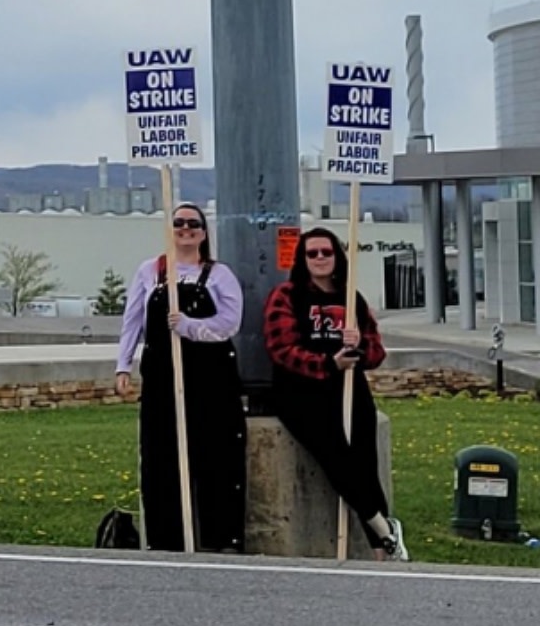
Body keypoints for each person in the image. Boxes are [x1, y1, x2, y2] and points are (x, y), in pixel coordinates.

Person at [263, 227, 408, 561]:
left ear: (337, 257)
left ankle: (382, 554)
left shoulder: (350, 298)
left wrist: (358, 348)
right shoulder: (286, 296)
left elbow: (376, 351)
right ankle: (385, 530)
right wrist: (330, 363)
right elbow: (282, 349)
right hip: (302, 394)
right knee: (337, 460)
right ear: (301, 259)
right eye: (311, 253)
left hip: (350, 390)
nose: (319, 259)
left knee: (365, 466)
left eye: (325, 252)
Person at [114, 203, 246, 552]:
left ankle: (221, 538)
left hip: (210, 376)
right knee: (161, 457)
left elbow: (230, 323)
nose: (185, 229)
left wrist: (190, 326)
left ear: (204, 232)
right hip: (161, 375)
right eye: (178, 223)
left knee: (214, 455)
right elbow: (133, 322)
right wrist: (123, 365)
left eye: (193, 224)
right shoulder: (150, 271)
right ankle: (165, 538)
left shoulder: (220, 275)